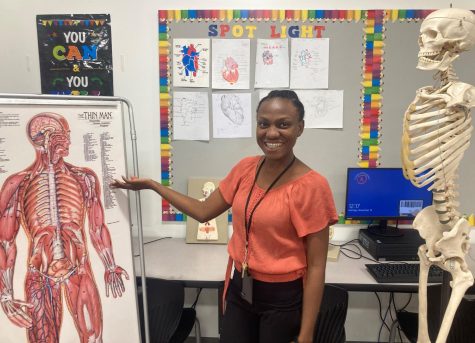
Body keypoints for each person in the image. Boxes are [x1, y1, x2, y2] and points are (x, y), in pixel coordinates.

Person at [111, 90, 338, 343]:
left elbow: (317, 266)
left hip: (282, 298)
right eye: (263, 124)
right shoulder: (245, 168)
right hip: (241, 286)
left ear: (300, 128)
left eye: (283, 124)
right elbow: (203, 210)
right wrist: (154, 186)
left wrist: (306, 335)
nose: (271, 133)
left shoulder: (312, 186)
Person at [0, 112, 129, 343]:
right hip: (40, 276)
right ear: (45, 137)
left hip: (78, 270)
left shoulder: (84, 178)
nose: (69, 141)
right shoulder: (18, 183)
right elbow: (5, 242)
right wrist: (5, 294)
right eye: (63, 135)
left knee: (92, 338)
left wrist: (110, 265)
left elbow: (97, 228)